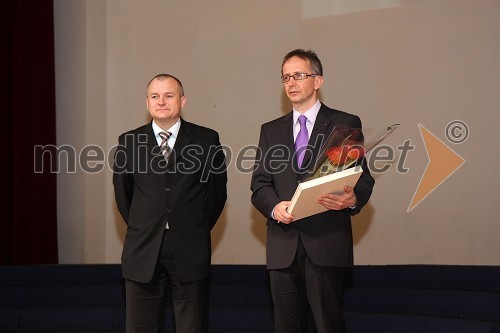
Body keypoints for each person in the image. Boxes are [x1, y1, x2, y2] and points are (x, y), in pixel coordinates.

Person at [250, 49, 375, 333]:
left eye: (299, 75)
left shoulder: (344, 123)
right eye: (285, 77)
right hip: (283, 245)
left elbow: (362, 177)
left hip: (326, 240)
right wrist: (273, 207)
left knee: (328, 324)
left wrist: (352, 199)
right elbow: (259, 184)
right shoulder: (270, 130)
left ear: (317, 81)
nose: (291, 82)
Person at [113, 73, 227, 333]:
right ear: (147, 103)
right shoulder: (128, 142)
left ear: (182, 101)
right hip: (143, 250)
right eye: (155, 96)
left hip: (190, 249)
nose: (161, 101)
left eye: (169, 95)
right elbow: (123, 196)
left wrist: (193, 227)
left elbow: (216, 196)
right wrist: (144, 225)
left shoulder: (207, 140)